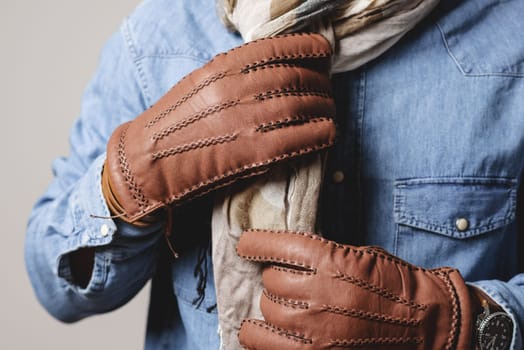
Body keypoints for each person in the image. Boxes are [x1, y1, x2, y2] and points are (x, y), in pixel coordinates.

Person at [25, 0, 523, 349]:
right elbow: (56, 288)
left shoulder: (513, 39)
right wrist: (125, 182)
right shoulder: (158, 37)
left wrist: (461, 324)